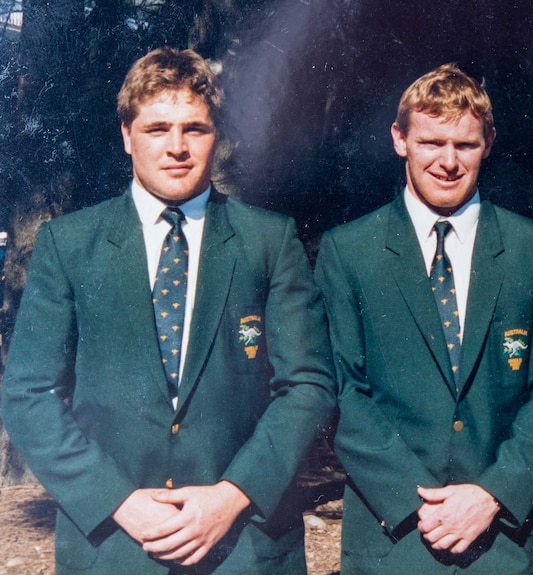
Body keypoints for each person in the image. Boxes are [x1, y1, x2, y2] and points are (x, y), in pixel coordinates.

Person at [1, 47, 336, 574]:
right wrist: (118, 500)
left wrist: (231, 495)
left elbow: (309, 385)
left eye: (195, 129)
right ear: (126, 135)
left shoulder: (268, 240)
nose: (177, 147)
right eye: (157, 128)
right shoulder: (70, 245)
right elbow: (27, 394)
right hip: (113, 547)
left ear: (216, 135)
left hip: (243, 547)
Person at [314, 63, 533, 574]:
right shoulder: (349, 252)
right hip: (395, 537)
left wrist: (492, 494)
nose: (448, 162)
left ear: (490, 143)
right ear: (399, 140)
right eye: (432, 142)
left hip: (512, 538)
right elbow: (341, 391)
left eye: (466, 145)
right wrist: (420, 505)